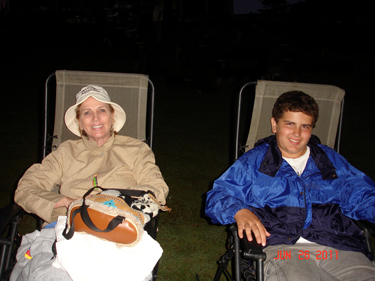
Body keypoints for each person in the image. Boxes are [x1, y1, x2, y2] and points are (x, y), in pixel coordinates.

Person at [205, 91, 375, 280]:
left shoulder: (330, 160)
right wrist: (239, 210)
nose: (297, 133)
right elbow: (217, 197)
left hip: (338, 246)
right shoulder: (254, 162)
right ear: (274, 124)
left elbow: (362, 193)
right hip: (283, 250)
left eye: (305, 126)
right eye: (290, 124)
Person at [15, 84, 169, 224]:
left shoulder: (136, 149)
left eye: (102, 110)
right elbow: (26, 188)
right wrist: (66, 202)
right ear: (80, 122)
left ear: (112, 116)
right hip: (70, 225)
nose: (95, 118)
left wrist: (114, 203)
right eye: (87, 112)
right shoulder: (65, 152)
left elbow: (156, 187)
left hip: (120, 223)